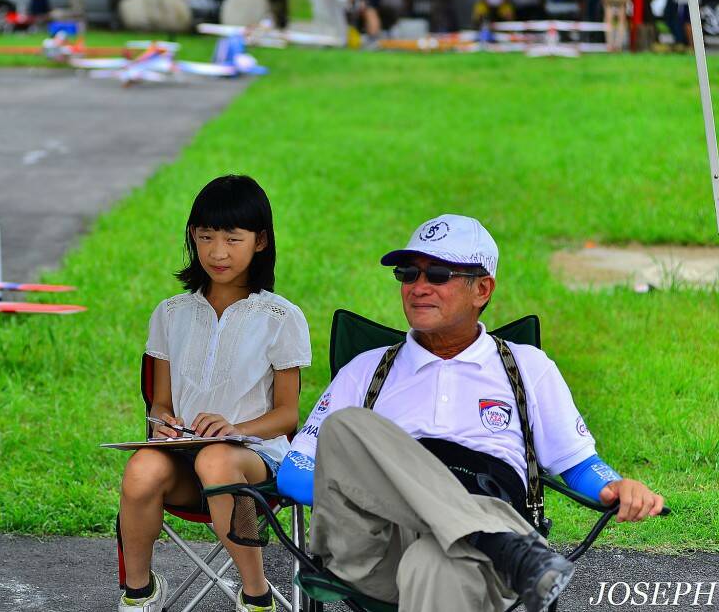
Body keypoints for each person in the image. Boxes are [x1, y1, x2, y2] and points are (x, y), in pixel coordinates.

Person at [276, 215, 664, 612]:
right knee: (346, 427)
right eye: (408, 273)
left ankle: (479, 538)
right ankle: (492, 539)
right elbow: (294, 470)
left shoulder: (527, 366)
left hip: (483, 553)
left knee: (437, 562)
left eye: (439, 274)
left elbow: (579, 463)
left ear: (483, 289)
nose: (418, 287)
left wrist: (616, 485)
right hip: (385, 547)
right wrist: (394, 499)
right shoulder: (366, 369)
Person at [117, 175, 311, 612]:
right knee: (143, 467)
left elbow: (287, 416)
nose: (217, 252)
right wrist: (163, 423)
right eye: (205, 237)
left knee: (217, 457)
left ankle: (257, 597)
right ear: (192, 237)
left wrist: (235, 428)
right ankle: (139, 593)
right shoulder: (171, 313)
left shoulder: (281, 317)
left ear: (260, 241)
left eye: (232, 238)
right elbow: (160, 403)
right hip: (186, 457)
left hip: (257, 459)